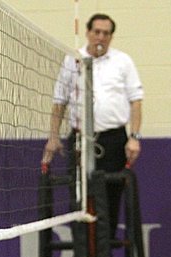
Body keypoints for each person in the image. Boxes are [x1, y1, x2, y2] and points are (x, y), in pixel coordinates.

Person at [42, 12, 143, 238]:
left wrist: (134, 137)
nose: (100, 37)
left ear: (111, 37)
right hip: (80, 139)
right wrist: (53, 137)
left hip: (113, 139)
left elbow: (136, 101)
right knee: (79, 197)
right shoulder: (73, 60)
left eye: (106, 33)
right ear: (88, 33)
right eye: (96, 32)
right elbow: (59, 102)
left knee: (111, 196)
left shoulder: (122, 62)